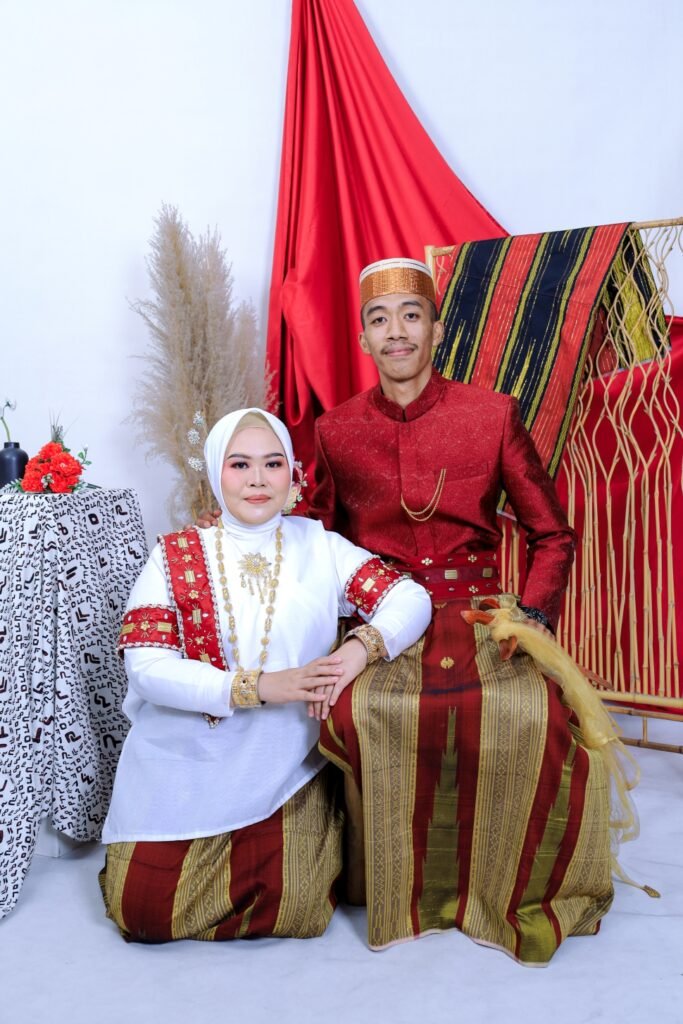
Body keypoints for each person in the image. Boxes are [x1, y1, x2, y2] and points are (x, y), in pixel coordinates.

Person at [309, 258, 630, 965]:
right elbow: (313, 541)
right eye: (379, 319)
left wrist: (532, 618)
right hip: (382, 622)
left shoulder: (491, 414)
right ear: (363, 339)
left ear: (436, 330)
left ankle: (506, 885)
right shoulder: (335, 430)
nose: (396, 331)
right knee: (361, 711)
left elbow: (553, 534)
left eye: (411, 316)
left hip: (484, 616)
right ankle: (388, 885)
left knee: (535, 715)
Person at [100, 407, 431, 943]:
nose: (257, 479)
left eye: (273, 463)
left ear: (291, 474)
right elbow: (146, 668)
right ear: (217, 473)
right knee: (144, 914)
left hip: (282, 764)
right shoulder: (175, 555)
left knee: (298, 908)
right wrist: (258, 687)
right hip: (185, 759)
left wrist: (356, 651)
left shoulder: (319, 547)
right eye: (240, 465)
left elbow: (410, 598)